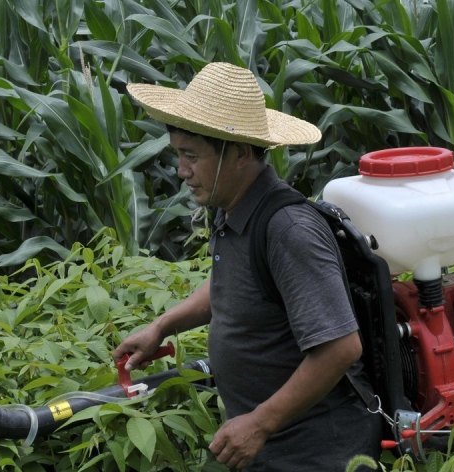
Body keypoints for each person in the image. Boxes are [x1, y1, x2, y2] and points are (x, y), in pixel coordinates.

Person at [113, 62, 382, 471]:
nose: (182, 171)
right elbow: (234, 284)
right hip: (272, 446)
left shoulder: (287, 230)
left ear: (238, 153)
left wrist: (259, 423)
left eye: (191, 156)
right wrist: (161, 327)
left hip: (316, 454)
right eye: (178, 155)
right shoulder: (234, 208)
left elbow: (340, 349)